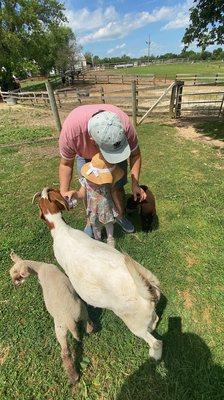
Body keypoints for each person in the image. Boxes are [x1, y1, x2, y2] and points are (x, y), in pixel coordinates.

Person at [59, 104, 146, 235]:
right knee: (89, 188)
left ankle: (121, 215)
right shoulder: (71, 134)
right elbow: (66, 164)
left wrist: (135, 184)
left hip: (116, 151)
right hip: (85, 155)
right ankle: (90, 221)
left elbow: (135, 154)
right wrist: (64, 191)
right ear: (92, 139)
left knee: (117, 184)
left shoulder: (125, 126)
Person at [73, 153, 124, 247]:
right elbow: (81, 194)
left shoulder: (108, 182)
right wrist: (73, 194)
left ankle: (110, 238)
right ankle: (98, 239)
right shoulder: (85, 182)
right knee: (95, 225)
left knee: (108, 223)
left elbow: (113, 193)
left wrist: (119, 207)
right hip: (93, 209)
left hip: (107, 207)